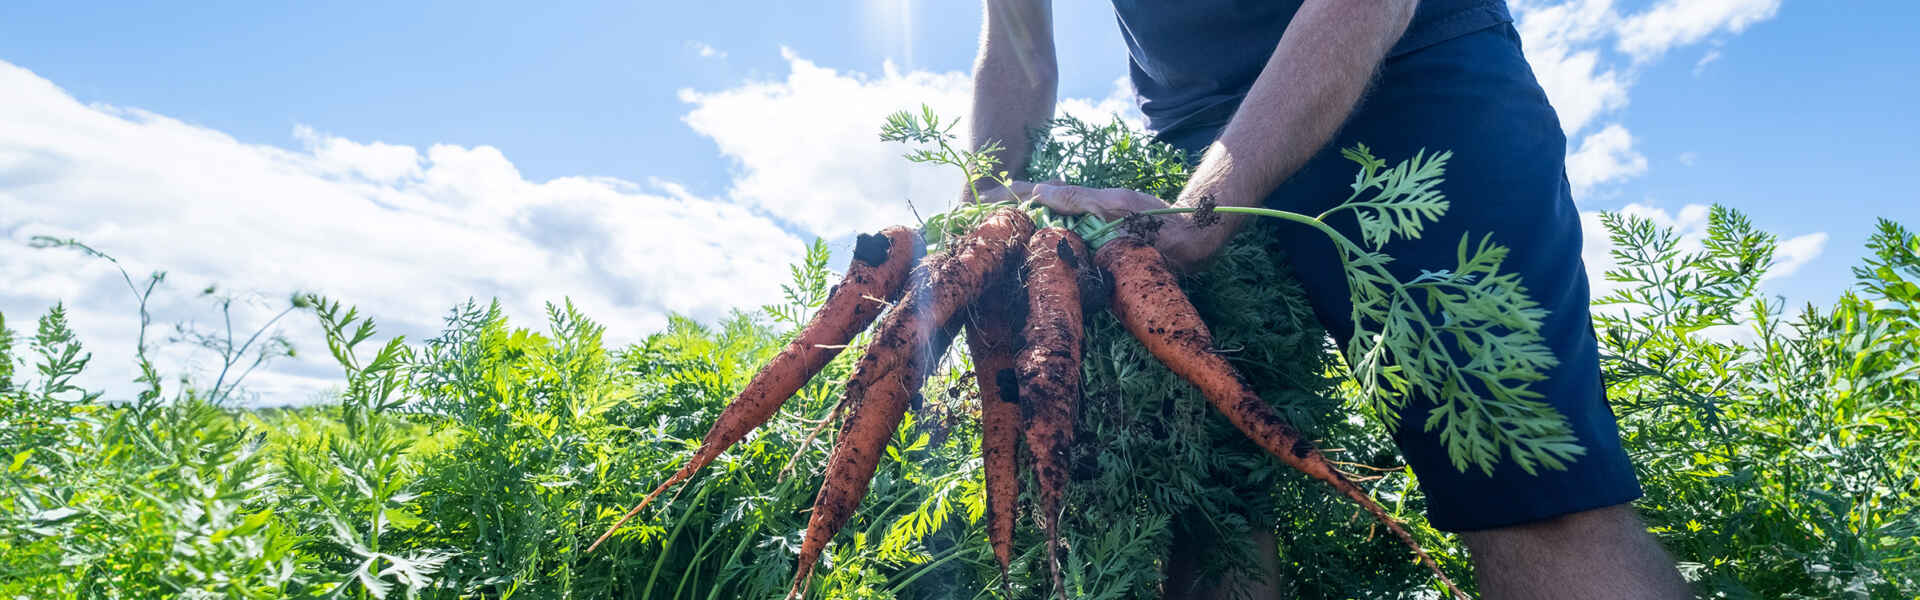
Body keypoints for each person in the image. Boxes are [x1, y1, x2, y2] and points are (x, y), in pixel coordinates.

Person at [962, 1, 1692, 598]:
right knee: (1211, 515)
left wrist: (1208, 207)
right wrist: (975, 218)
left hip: (1411, 75)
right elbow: (1017, 44)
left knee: (1532, 501)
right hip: (1187, 139)